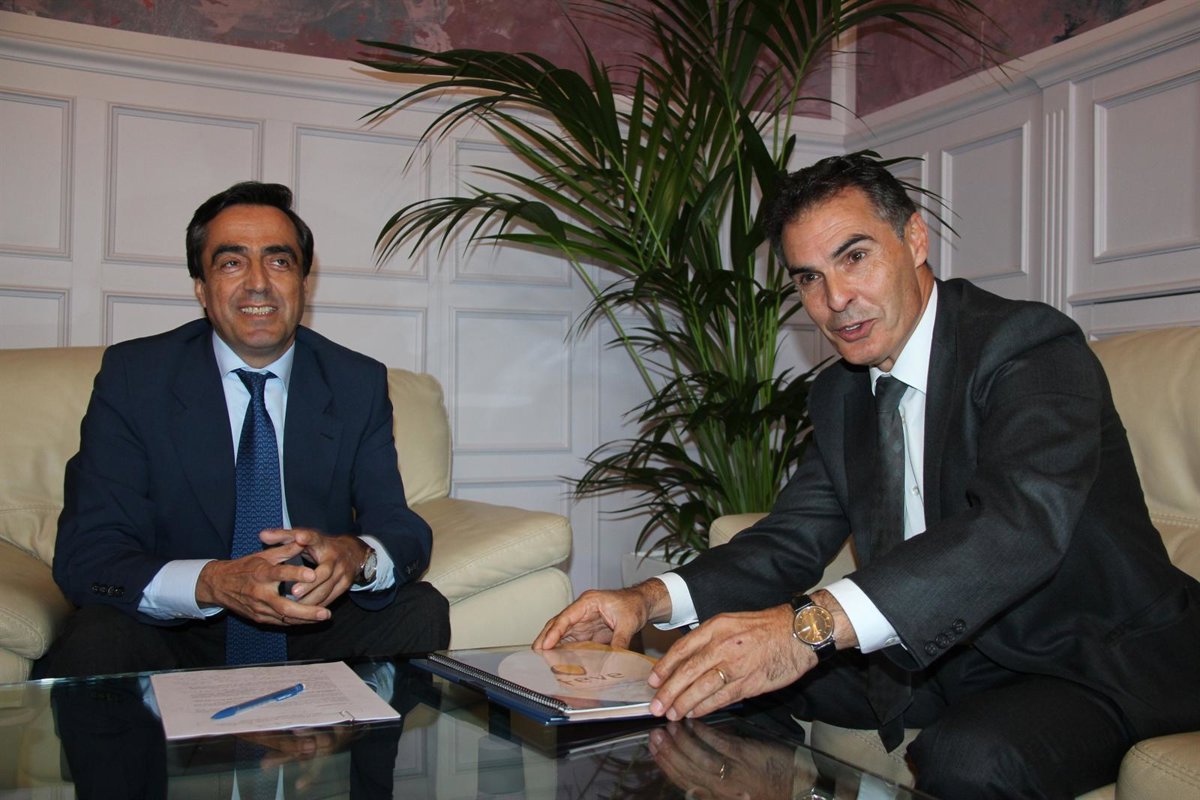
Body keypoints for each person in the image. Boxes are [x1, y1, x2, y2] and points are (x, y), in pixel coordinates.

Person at [534, 154, 1200, 798]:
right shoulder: (843, 393)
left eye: (854, 257)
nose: (836, 300)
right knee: (706, 675)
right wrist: (645, 600)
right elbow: (789, 541)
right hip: (943, 648)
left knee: (968, 757)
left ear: (914, 239)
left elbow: (1017, 528)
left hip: (1096, 659)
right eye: (809, 278)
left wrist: (806, 627)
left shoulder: (1027, 346)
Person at [38, 181, 449, 678]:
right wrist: (215, 581)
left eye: (279, 261)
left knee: (421, 609)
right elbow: (89, 551)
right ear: (201, 287)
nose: (258, 283)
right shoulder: (135, 377)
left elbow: (398, 525)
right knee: (97, 638)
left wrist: (355, 555)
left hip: (312, 622)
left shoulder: (355, 382)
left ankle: (354, 726)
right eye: (232, 263)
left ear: (303, 283)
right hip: (182, 627)